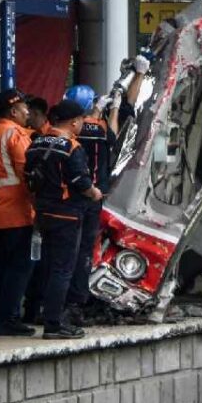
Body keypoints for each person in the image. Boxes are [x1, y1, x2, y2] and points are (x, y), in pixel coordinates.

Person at [24, 99, 103, 339]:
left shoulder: (36, 143)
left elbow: (27, 177)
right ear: (74, 121)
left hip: (43, 212)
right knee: (62, 270)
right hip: (67, 214)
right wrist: (95, 193)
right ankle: (54, 325)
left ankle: (43, 315)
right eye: (81, 120)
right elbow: (80, 181)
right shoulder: (71, 146)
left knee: (49, 267)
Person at [0, 89, 36, 337]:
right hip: (17, 210)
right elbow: (28, 174)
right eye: (24, 108)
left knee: (3, 265)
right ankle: (8, 318)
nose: (28, 112)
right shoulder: (15, 134)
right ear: (13, 111)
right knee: (18, 268)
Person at [70, 84, 120, 316]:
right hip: (93, 196)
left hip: (68, 198)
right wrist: (114, 110)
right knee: (87, 249)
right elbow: (114, 136)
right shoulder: (98, 127)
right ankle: (80, 299)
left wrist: (97, 110)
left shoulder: (65, 130)